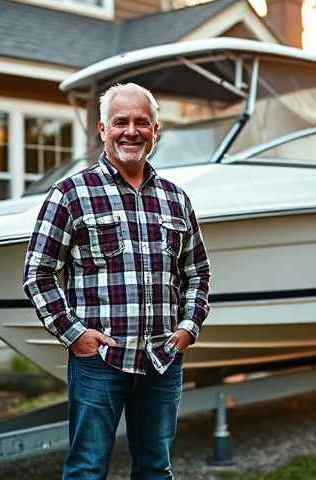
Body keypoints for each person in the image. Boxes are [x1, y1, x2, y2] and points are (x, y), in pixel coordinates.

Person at [23, 82, 211, 480]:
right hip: (99, 364)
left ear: (155, 131)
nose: (131, 131)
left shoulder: (176, 199)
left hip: (163, 361)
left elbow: (197, 272)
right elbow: (37, 274)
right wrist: (76, 335)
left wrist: (187, 328)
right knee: (87, 471)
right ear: (102, 129)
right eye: (120, 122)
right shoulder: (70, 194)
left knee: (155, 470)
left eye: (141, 122)